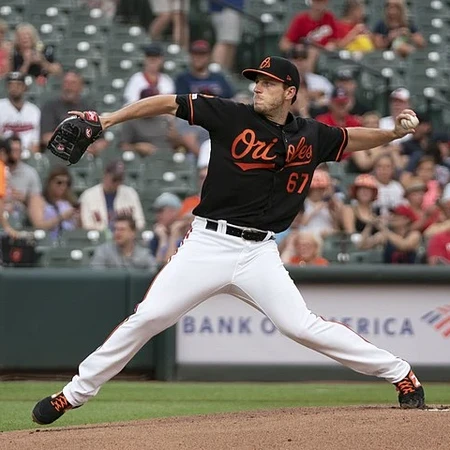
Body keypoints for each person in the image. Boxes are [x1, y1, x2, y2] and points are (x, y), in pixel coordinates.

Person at [31, 55, 425, 426]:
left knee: (300, 326)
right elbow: (167, 102)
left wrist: (392, 133)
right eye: (257, 81)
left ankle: (400, 373)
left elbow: (350, 138)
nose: (258, 87)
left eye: (268, 83)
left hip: (260, 252)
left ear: (290, 92)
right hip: (209, 243)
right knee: (149, 317)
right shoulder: (230, 115)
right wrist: (109, 119)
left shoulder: (311, 134)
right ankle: (73, 394)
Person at [40, 70, 108, 156]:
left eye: (73, 83)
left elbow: (102, 140)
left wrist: (94, 148)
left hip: (85, 156)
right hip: (58, 154)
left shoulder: (89, 108)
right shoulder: (50, 106)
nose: (68, 87)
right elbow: (46, 137)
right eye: (66, 83)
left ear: (81, 87)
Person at [79, 160, 145, 231]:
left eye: (120, 179)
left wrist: (125, 230)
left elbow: (140, 222)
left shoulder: (131, 193)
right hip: (99, 236)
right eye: (115, 179)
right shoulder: (88, 195)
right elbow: (86, 225)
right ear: (105, 175)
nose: (117, 182)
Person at [279, 0, 338, 71]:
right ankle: (306, 77)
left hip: (324, 53)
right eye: (316, 2)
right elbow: (284, 45)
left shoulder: (329, 17)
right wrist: (297, 47)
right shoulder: (301, 19)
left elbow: (336, 40)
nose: (319, 5)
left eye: (322, 2)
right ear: (311, 2)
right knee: (312, 52)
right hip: (303, 54)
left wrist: (332, 44)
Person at [120, 84, 177, 156]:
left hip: (166, 157)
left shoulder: (166, 119)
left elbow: (178, 145)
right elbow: (122, 146)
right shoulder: (131, 120)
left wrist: (175, 137)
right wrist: (136, 147)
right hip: (142, 159)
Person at [0, 135, 42, 228]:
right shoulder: (1, 169)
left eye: (18, 150)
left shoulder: (30, 173)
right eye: (12, 150)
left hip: (22, 220)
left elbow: (37, 203)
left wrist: (25, 199)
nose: (15, 153)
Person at [90, 214, 157, 270]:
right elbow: (97, 275)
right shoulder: (103, 251)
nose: (117, 233)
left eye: (122, 229)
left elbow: (153, 271)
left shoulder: (143, 254)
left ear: (133, 233)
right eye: (115, 229)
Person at [31, 166, 79, 241]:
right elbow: (39, 226)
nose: (63, 186)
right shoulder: (39, 200)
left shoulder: (70, 201)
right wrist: (61, 218)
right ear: (50, 182)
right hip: (47, 241)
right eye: (59, 182)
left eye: (67, 183)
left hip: (69, 240)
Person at [0, 72, 41, 153]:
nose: (14, 88)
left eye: (18, 85)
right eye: (11, 85)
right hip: (5, 153)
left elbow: (35, 143)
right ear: (7, 87)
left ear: (24, 87)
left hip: (28, 154)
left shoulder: (34, 110)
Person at [148, 192, 182, 264]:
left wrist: (173, 237)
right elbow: (157, 265)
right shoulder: (158, 235)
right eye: (156, 212)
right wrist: (163, 239)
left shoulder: (186, 233)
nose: (157, 215)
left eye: (161, 211)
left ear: (174, 211)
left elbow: (170, 264)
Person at [210, 0, 244, 70]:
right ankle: (216, 73)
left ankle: (225, 73)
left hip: (232, 8)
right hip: (226, 8)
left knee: (231, 43)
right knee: (225, 41)